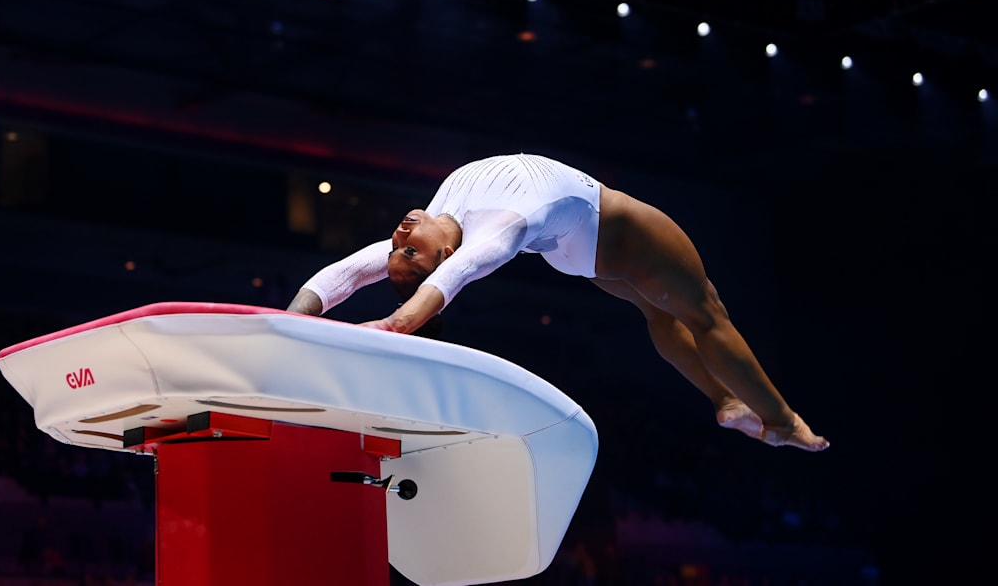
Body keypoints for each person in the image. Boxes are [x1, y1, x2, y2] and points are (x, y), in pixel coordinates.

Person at [286, 153, 829, 451]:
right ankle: (781, 419)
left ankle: (725, 402)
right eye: (409, 250)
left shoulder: (434, 219)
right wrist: (392, 326)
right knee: (707, 312)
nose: (400, 238)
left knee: (656, 313)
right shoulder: (490, 232)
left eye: (398, 248)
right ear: (447, 253)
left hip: (578, 252)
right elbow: (447, 283)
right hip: (620, 234)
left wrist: (284, 324)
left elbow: (344, 274)